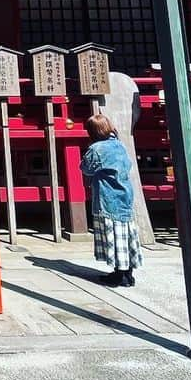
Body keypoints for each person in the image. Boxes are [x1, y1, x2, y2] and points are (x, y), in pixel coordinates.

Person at [80, 113, 142, 287]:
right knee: (126, 233)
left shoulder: (97, 149)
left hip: (108, 196)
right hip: (125, 192)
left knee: (113, 234)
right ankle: (128, 272)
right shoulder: (119, 145)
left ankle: (118, 273)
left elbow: (86, 168)